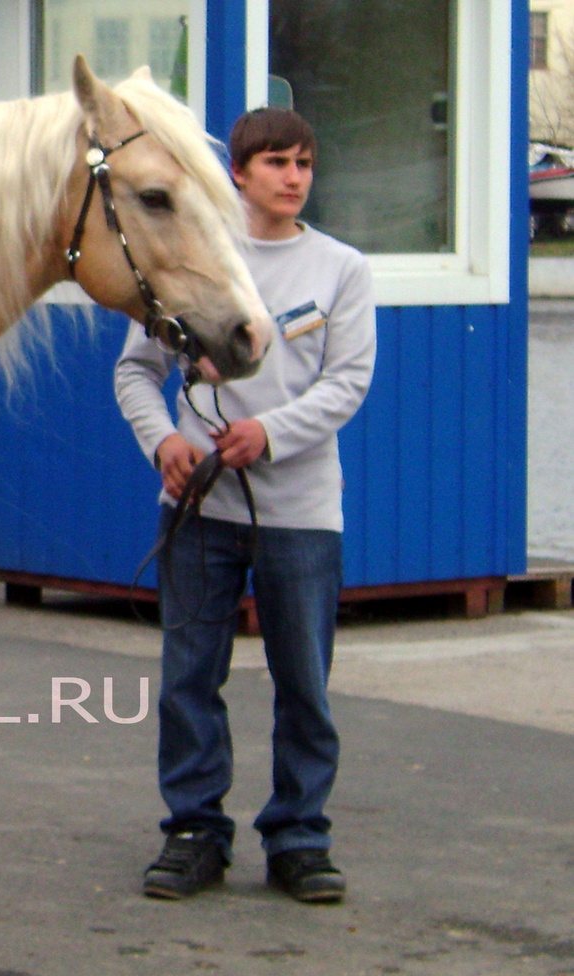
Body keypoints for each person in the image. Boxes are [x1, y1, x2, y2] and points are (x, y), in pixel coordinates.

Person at [113, 108, 376, 903]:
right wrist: (163, 442)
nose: (293, 177)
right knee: (189, 677)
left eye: (304, 162)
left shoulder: (341, 269)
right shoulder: (196, 260)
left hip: (301, 516)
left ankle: (299, 838)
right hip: (199, 515)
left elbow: (348, 383)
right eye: (276, 164)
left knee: (304, 683)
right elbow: (134, 373)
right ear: (239, 174)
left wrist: (269, 433)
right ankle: (194, 833)